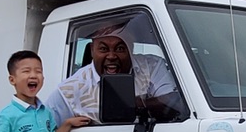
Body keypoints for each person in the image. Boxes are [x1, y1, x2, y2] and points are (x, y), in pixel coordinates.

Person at [42, 23, 184, 126]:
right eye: (103, 49)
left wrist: (133, 104)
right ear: (92, 50)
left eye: (120, 48)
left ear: (131, 48)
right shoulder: (70, 90)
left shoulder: (151, 66)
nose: (111, 56)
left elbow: (173, 103)